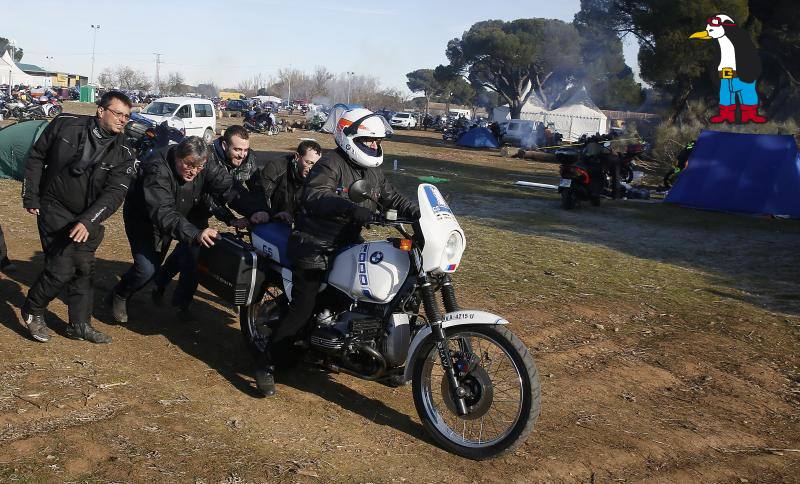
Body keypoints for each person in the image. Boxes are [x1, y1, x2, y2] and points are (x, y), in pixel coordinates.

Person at [254, 108, 419, 396]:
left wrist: (419, 214)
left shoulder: (373, 172)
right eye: (369, 141)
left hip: (346, 243)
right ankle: (266, 364)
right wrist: (350, 208)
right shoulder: (330, 163)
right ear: (349, 137)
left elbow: (392, 197)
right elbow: (316, 194)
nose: (375, 146)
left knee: (363, 298)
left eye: (377, 142)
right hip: (314, 245)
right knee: (303, 308)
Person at [107, 136, 269, 324]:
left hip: (183, 211)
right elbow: (163, 212)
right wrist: (195, 233)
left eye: (199, 167)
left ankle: (177, 300)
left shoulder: (203, 164)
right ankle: (120, 294)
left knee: (176, 261)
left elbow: (229, 187)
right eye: (189, 165)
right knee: (146, 269)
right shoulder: (156, 169)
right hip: (146, 218)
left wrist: (256, 209)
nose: (194, 172)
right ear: (177, 156)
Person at [20, 91, 136, 344]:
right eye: (118, 114)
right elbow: (37, 156)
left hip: (87, 217)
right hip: (54, 205)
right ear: (100, 111)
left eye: (127, 116)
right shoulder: (66, 125)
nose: (123, 120)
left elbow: (116, 192)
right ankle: (33, 309)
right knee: (61, 268)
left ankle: (79, 324)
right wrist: (31, 195)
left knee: (84, 268)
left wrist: (88, 220)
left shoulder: (125, 150)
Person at [150, 125, 266, 305]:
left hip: (204, 211)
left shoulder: (249, 159)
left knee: (186, 253)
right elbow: (207, 197)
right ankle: (179, 302)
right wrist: (230, 218)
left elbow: (254, 189)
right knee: (191, 257)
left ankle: (163, 285)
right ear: (225, 145)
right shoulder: (206, 156)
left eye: (245, 149)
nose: (242, 155)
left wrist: (259, 211)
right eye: (237, 149)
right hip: (192, 208)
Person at [260, 140, 322, 225]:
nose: (312, 169)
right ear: (297, 157)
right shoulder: (276, 168)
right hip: (269, 219)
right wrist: (272, 215)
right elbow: (261, 196)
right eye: (308, 163)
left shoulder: (318, 176)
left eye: (315, 165)